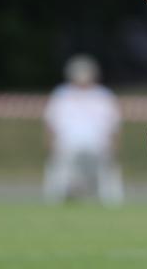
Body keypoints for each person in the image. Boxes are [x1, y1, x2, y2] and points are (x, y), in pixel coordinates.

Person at [43, 54, 123, 206]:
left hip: (98, 144)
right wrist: (50, 145)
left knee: (106, 168)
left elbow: (114, 125)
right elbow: (50, 123)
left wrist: (114, 147)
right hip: (68, 144)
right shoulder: (61, 95)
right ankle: (57, 198)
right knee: (60, 165)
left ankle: (111, 200)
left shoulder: (103, 96)